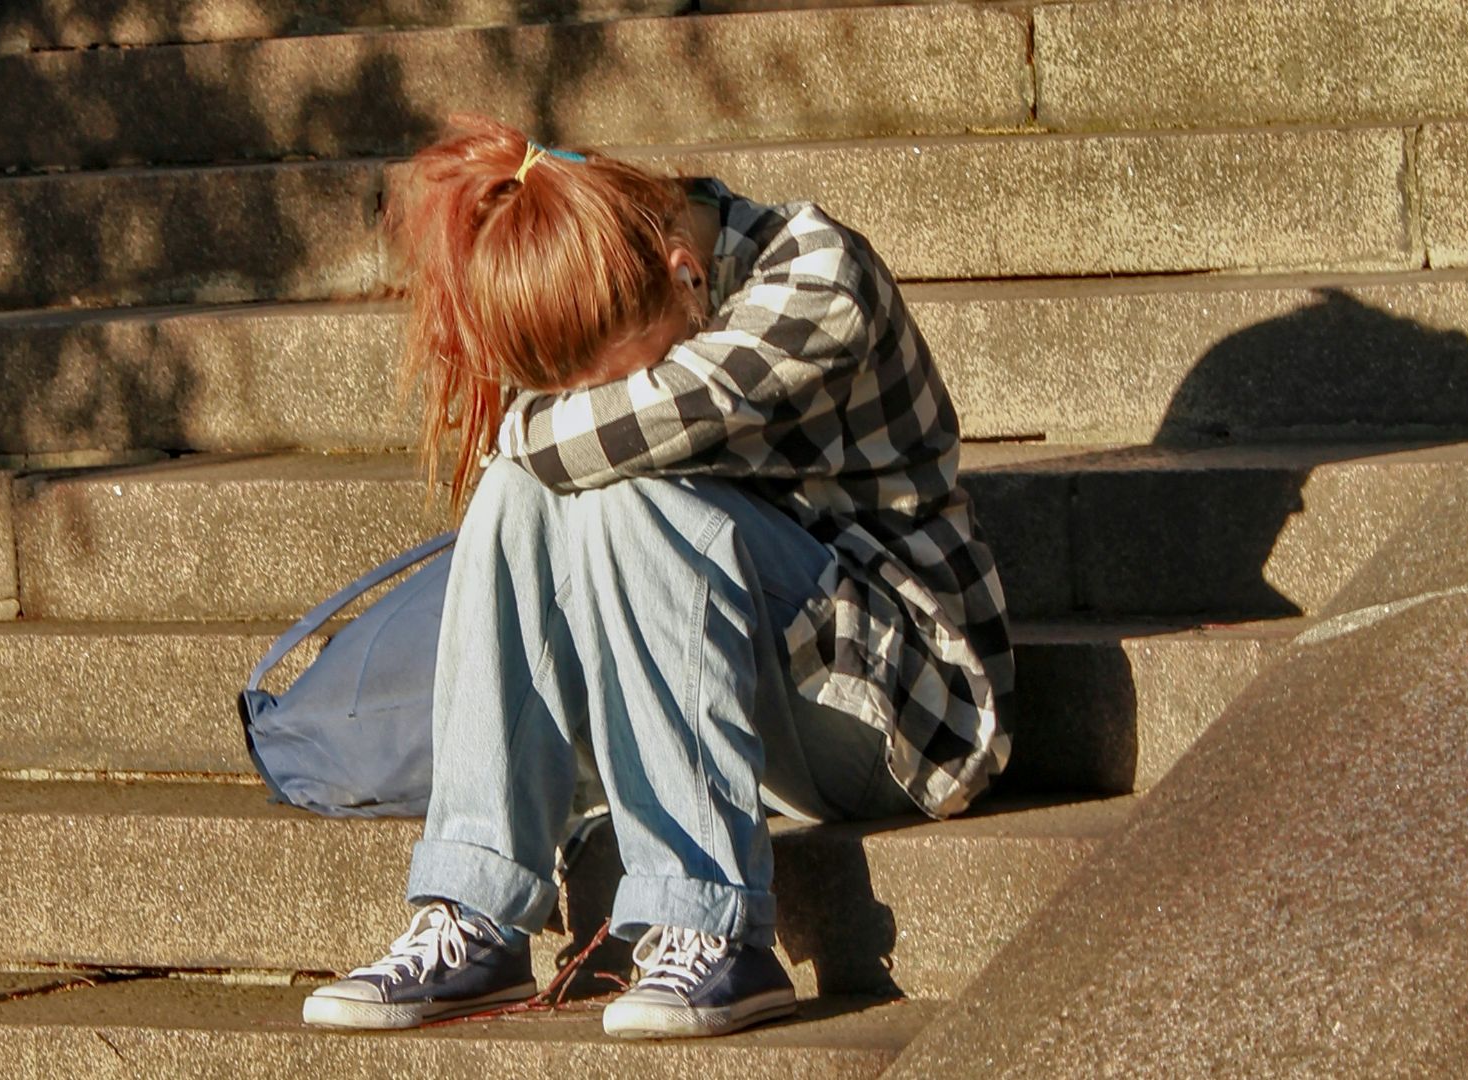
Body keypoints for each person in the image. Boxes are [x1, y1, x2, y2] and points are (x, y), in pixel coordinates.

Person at [301, 115, 1014, 1040]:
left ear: (685, 272)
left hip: (905, 709)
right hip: (750, 703)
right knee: (536, 493)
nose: (592, 399)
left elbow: (587, 437)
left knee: (610, 485)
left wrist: (526, 431)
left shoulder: (816, 276)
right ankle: (474, 906)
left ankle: (709, 927)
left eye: (614, 375)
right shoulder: (645, 288)